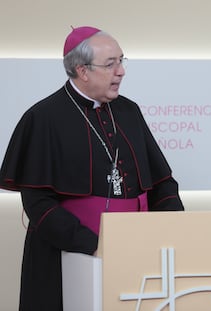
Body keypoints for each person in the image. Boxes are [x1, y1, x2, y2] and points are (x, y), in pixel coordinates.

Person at [0, 26, 184, 311]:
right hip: (66, 255)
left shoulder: (129, 111)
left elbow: (163, 182)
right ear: (81, 70)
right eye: (110, 64)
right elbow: (38, 203)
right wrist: (95, 245)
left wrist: (169, 232)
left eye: (122, 61)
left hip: (135, 256)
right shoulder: (43, 117)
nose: (121, 71)